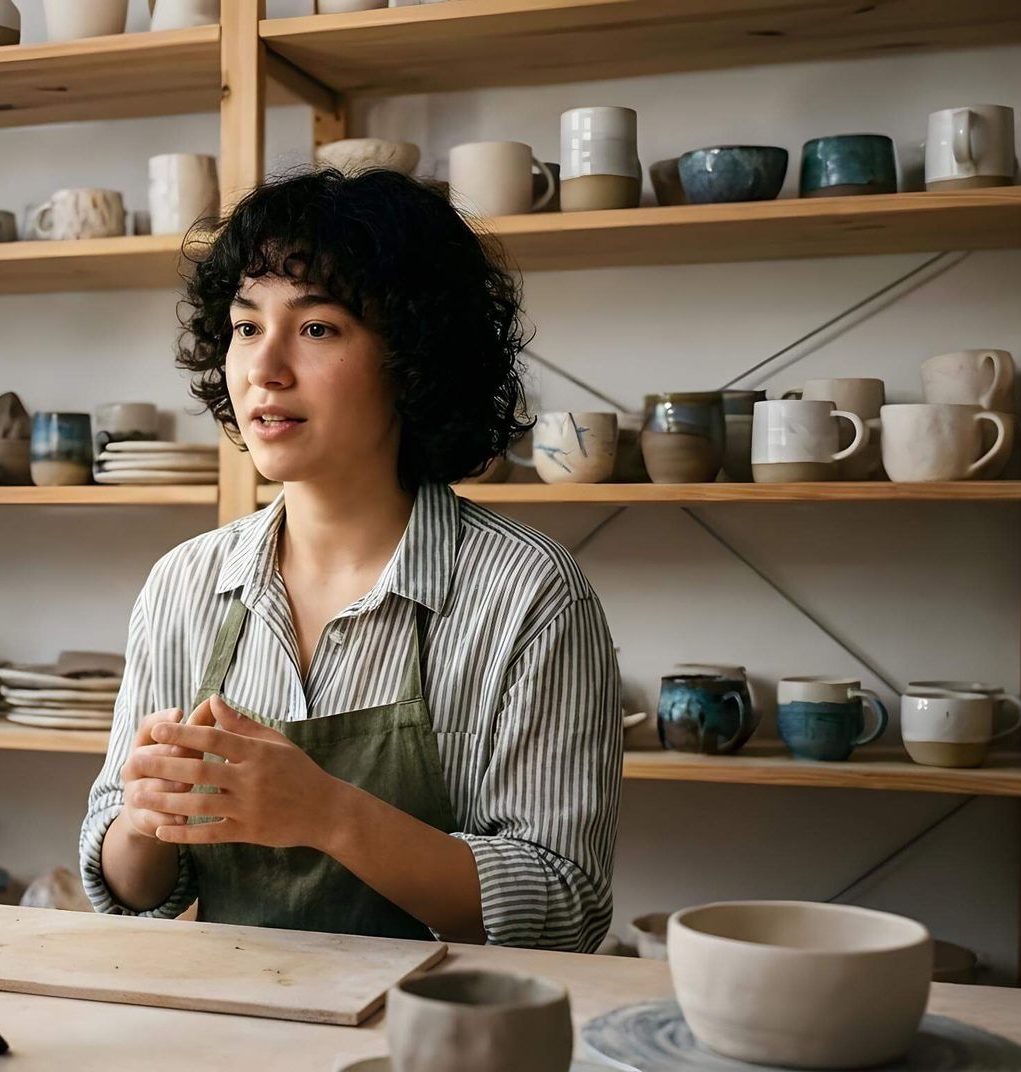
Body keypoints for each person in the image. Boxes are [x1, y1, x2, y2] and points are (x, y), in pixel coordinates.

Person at [78, 169, 623, 952]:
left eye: (317, 328)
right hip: (235, 1026)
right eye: (244, 327)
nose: (264, 368)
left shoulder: (528, 593)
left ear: (413, 356)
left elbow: (563, 907)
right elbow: (129, 893)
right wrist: (144, 818)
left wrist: (328, 813)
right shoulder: (186, 583)